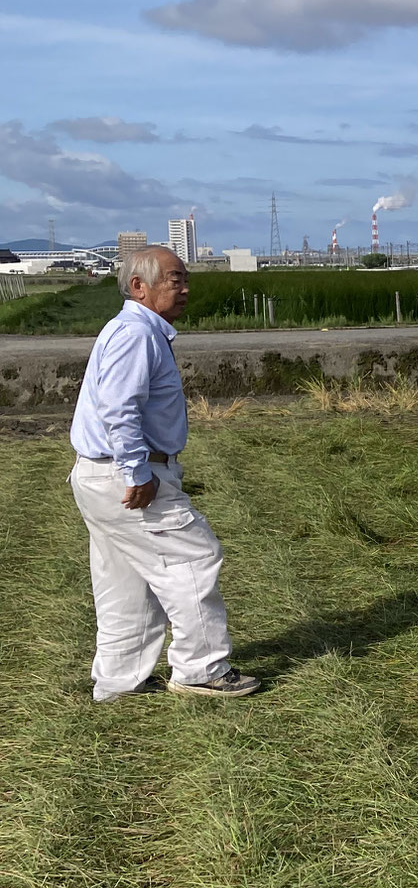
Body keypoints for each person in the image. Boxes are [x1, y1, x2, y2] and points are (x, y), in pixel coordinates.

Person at [67, 245, 259, 703]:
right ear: (139, 286)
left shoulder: (135, 331)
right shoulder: (136, 334)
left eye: (184, 278)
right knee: (193, 558)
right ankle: (201, 667)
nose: (186, 288)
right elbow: (119, 408)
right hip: (126, 475)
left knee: (124, 580)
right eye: (176, 279)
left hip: (100, 474)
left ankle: (120, 679)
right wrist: (137, 472)